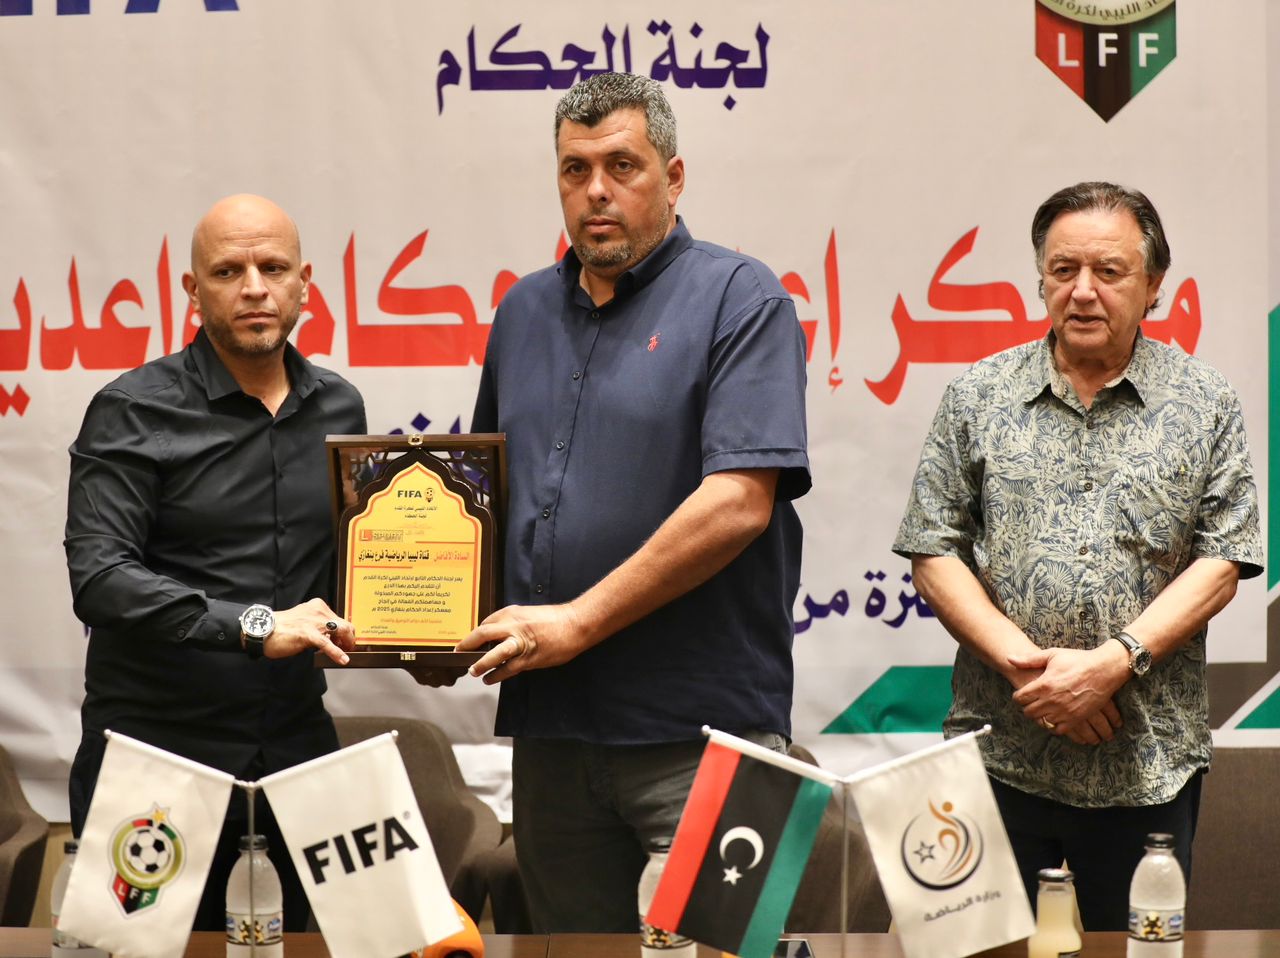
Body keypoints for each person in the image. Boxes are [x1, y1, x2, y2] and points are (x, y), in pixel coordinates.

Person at [454, 73, 810, 932]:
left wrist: (577, 620)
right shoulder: (522, 311)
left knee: (723, 950)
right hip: (555, 736)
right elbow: (480, 506)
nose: (597, 191)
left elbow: (739, 503)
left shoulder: (742, 298)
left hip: (706, 734)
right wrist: (430, 626)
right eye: (575, 170)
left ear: (673, 177)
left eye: (622, 165)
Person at [893, 181, 1262, 930]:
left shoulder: (1206, 404)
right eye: (1063, 270)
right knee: (975, 952)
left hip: (1144, 764)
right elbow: (932, 549)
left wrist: (1111, 666)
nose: (1083, 291)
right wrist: (1033, 674)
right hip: (997, 754)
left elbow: (1223, 561)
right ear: (1041, 279)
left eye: (1109, 271)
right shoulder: (977, 396)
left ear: (1154, 285)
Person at [64, 194, 365, 930]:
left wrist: (410, 634)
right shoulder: (133, 409)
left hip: (296, 750)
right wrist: (254, 626)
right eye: (229, 271)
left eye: (274, 268)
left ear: (305, 283)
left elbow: (349, 568)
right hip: (158, 757)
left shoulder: (341, 410)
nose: (254, 287)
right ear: (193, 291)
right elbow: (100, 579)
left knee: (321, 947)